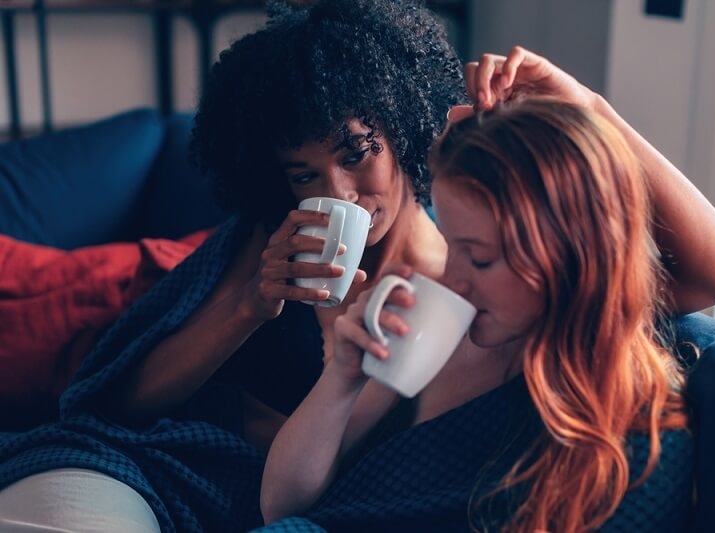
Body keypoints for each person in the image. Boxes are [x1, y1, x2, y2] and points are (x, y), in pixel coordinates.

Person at [0, 1, 464, 531]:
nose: (340, 194)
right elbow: (118, 406)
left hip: (261, 505)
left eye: (355, 154)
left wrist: (338, 350)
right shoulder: (271, 235)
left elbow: (366, 475)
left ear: (407, 126)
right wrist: (249, 305)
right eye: (304, 175)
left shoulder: (447, 289)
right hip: (141, 469)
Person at [258, 47, 715, 532]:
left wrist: (590, 107)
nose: (452, 278)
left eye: (480, 257)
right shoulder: (436, 322)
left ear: (568, 255)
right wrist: (342, 378)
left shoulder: (635, 438)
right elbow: (280, 505)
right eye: (452, 246)